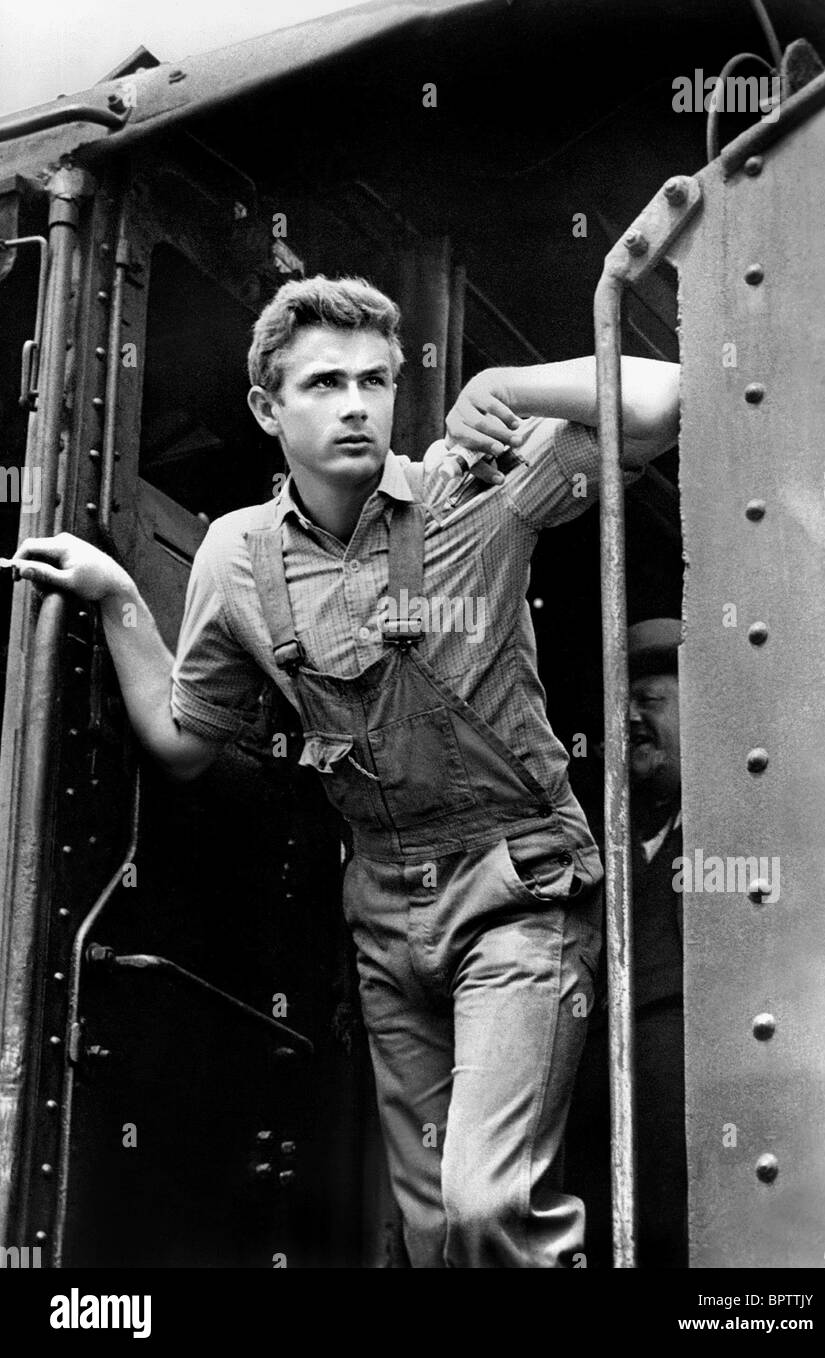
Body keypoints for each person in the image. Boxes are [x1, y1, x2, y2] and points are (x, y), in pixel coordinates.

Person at [6, 275, 680, 1268]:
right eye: (323, 383)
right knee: (433, 1233)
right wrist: (118, 602)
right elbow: (186, 737)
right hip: (384, 913)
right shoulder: (237, 556)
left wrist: (506, 383)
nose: (356, 404)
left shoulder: (471, 488)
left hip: (519, 892)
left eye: (374, 380)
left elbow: (664, 400)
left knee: (488, 1204)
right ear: (265, 407)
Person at [570, 617, 686, 1267]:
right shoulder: (592, 833)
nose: (633, 719)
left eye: (650, 700)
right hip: (595, 1089)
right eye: (624, 704)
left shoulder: (738, 830)